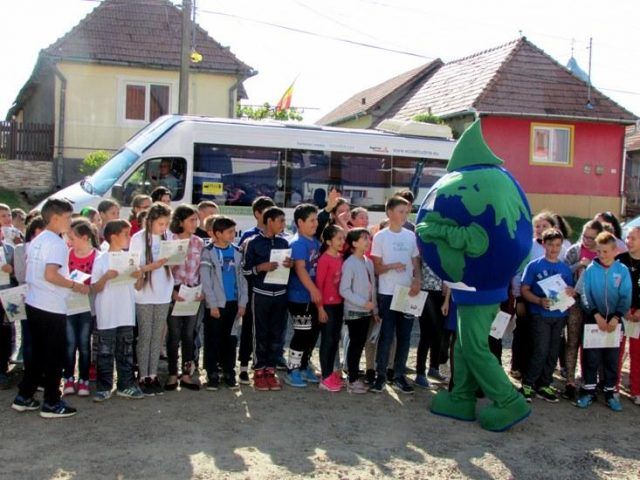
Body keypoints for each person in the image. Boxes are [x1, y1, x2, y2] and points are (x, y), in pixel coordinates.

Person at [12, 198, 88, 418]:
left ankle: (24, 396)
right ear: (55, 218)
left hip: (35, 302)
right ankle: (52, 402)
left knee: (37, 353)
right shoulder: (56, 243)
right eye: (68, 217)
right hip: (50, 305)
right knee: (54, 355)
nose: (70, 221)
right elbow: (51, 274)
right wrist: (75, 284)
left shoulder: (38, 239)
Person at [370, 195, 421, 395]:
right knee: (386, 335)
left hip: (407, 293)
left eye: (406, 212)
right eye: (401, 211)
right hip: (387, 293)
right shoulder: (380, 237)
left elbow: (416, 261)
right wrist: (391, 266)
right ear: (390, 213)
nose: (404, 215)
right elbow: (377, 268)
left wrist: (417, 280)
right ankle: (381, 375)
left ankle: (399, 375)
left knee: (405, 336)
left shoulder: (410, 236)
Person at [576, 231, 631, 411]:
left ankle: (610, 393)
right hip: (594, 321)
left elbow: (625, 296)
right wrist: (596, 315)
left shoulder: (622, 271)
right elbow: (585, 294)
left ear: (615, 251)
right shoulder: (591, 269)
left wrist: (616, 317)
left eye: (605, 251)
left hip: (615, 324)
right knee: (591, 358)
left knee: (611, 358)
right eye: (598, 251)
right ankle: (588, 391)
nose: (601, 255)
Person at [91, 219, 145, 401]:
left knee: (126, 350)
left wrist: (139, 276)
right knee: (105, 350)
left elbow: (138, 287)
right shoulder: (101, 259)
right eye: (125, 234)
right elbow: (95, 288)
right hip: (107, 312)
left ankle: (126, 384)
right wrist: (106, 277)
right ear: (113, 237)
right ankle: (103, 386)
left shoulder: (130, 258)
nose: (128, 238)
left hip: (126, 312)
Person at [519, 228, 574, 403]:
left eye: (558, 245)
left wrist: (571, 292)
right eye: (551, 245)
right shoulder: (534, 266)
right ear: (544, 244)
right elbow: (524, 289)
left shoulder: (564, 268)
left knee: (552, 352)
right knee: (540, 350)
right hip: (539, 314)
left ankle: (545, 384)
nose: (554, 248)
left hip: (559, 316)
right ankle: (528, 384)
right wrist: (538, 300)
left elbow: (570, 291)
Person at [242, 207, 291, 391]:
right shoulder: (252, 242)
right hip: (260, 294)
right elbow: (245, 270)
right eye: (281, 221)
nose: (283, 225)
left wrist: (290, 264)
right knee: (259, 333)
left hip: (280, 295)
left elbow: (288, 269)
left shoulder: (284, 243)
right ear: (269, 221)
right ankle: (259, 370)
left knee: (276, 334)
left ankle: (270, 371)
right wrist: (260, 267)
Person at [129, 202, 172, 396]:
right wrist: (152, 266)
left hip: (164, 291)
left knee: (157, 335)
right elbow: (133, 268)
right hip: (144, 293)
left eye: (166, 223)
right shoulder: (138, 238)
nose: (164, 227)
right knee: (145, 335)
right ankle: (142, 375)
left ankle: (152, 374)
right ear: (151, 221)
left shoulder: (168, 237)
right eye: (161, 223)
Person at [201, 215, 247, 390]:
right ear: (218, 233)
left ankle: (229, 372)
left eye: (234, 232)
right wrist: (212, 304)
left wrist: (243, 302)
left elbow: (242, 279)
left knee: (231, 339)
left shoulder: (237, 251)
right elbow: (206, 280)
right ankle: (212, 373)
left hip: (234, 303)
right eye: (229, 232)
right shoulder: (208, 251)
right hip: (216, 305)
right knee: (213, 339)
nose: (233, 235)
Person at [562, 219, 604, 400]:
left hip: (596, 304)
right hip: (575, 303)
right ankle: (570, 382)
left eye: (591, 238)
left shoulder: (603, 253)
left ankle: (589, 382)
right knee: (572, 342)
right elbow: (563, 272)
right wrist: (580, 264)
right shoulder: (574, 250)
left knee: (592, 345)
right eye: (585, 236)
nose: (587, 241)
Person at [237, 196, 278, 381]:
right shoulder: (248, 236)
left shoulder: (281, 239)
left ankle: (266, 364)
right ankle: (244, 366)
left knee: (269, 330)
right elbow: (243, 267)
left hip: (273, 292)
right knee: (248, 329)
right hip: (252, 291)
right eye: (266, 212)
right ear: (257, 214)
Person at [165, 205, 204, 391]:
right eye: (191, 220)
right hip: (175, 292)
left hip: (193, 293)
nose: (195, 223)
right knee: (174, 336)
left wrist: (202, 290)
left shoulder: (198, 242)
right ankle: (172, 374)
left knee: (189, 335)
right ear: (180, 221)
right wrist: (171, 292)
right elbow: (164, 270)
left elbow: (202, 269)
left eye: (196, 220)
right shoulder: (170, 241)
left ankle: (187, 374)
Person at [284, 204, 322, 388]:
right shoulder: (298, 242)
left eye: (316, 219)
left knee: (312, 334)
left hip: (313, 298)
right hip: (299, 297)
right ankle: (293, 370)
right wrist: (313, 290)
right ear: (300, 222)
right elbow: (300, 269)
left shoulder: (315, 241)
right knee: (301, 333)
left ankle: (305, 365)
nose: (316, 223)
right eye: (312, 220)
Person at [62, 219, 99, 398]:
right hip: (69, 306)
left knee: (84, 344)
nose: (69, 241)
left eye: (72, 238)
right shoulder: (67, 254)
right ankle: (68, 378)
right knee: (69, 344)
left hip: (87, 307)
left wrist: (88, 286)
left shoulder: (97, 256)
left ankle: (84, 379)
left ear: (85, 238)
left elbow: (99, 281)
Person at [339, 228, 377, 394]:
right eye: (363, 239)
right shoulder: (349, 263)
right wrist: (363, 303)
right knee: (355, 345)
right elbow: (344, 290)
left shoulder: (367, 262)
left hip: (367, 312)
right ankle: (352, 379)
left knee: (360, 344)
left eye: (368, 238)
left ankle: (354, 377)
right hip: (355, 312)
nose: (368, 241)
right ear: (354, 243)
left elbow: (372, 287)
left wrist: (374, 308)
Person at [315, 224, 345, 392]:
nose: (342, 241)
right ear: (328, 241)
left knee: (334, 340)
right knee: (327, 340)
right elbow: (319, 285)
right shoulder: (324, 259)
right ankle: (325, 377)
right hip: (326, 306)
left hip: (339, 305)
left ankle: (330, 373)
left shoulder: (340, 257)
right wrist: (320, 308)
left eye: (343, 238)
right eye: (339, 238)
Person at [615, 226, 640, 406]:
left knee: (637, 353)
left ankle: (636, 389)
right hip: (621, 312)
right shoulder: (620, 260)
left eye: (633, 238)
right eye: (628, 238)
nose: (628, 241)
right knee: (617, 350)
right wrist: (623, 309)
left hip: (638, 316)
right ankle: (613, 387)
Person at [415, 261, 447, 388]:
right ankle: (420, 373)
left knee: (439, 333)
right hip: (425, 291)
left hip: (442, 293)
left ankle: (434, 367)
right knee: (426, 334)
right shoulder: (424, 245)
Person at [0, 228, 16, 389]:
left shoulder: (9, 249)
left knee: (5, 333)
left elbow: (18, 275)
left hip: (6, 297)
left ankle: (3, 369)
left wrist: (11, 272)